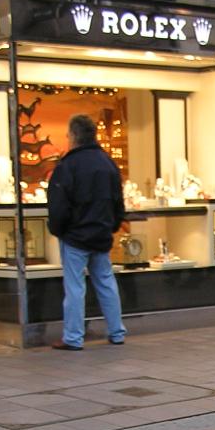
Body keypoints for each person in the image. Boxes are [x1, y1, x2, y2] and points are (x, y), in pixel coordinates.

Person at [47, 114, 127, 350]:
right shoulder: (108, 163)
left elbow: (58, 205)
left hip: (75, 236)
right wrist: (111, 226)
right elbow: (118, 201)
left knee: (74, 287)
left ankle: (73, 337)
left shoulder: (68, 166)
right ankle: (116, 331)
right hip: (101, 234)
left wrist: (58, 229)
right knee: (106, 282)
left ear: (73, 136)